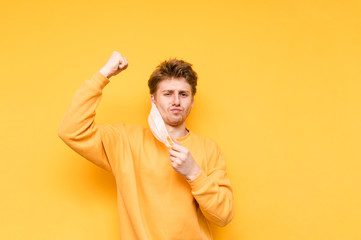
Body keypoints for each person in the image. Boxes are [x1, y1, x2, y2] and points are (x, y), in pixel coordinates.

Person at [58, 51, 234, 239]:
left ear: (192, 101)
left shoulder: (209, 149)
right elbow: (71, 130)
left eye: (183, 94)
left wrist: (193, 173)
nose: (176, 101)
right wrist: (104, 74)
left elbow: (223, 216)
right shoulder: (125, 140)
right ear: (153, 99)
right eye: (168, 94)